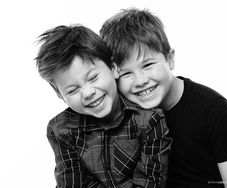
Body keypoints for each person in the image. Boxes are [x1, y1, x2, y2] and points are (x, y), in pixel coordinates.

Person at [100, 8, 227, 188]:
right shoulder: (123, 115)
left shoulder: (213, 110)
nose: (140, 81)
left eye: (148, 65)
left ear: (170, 59)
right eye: (125, 74)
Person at [35, 24, 172, 188]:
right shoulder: (61, 129)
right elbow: (71, 183)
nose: (87, 93)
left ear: (113, 68)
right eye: (72, 90)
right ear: (60, 95)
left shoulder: (150, 120)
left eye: (93, 78)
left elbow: (151, 183)